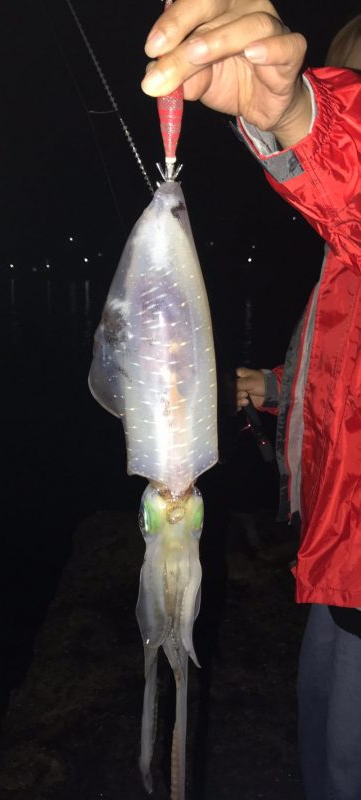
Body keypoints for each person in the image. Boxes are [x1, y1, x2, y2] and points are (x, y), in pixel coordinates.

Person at [141, 3, 361, 800]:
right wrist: (274, 390)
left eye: (351, 87)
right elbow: (344, 375)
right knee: (320, 741)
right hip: (337, 555)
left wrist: (301, 114)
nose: (342, 91)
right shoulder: (344, 259)